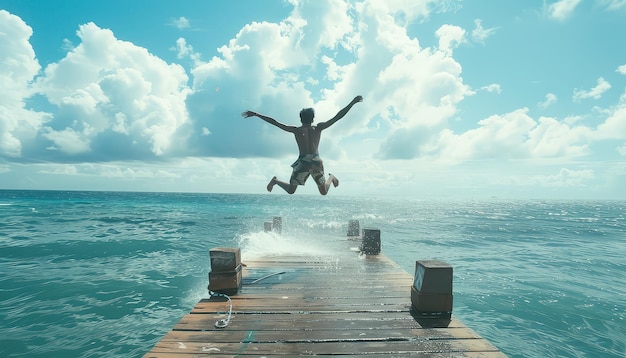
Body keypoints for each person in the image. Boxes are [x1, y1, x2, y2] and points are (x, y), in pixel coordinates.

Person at [242, 95, 363, 195]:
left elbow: (275, 123)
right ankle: (275, 180)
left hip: (305, 161)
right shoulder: (316, 128)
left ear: (300, 118)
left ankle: (331, 177)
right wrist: (352, 102)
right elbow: (337, 116)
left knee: (296, 190)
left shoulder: (298, 130)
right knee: (308, 191)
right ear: (313, 118)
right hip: (314, 161)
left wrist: (257, 114)